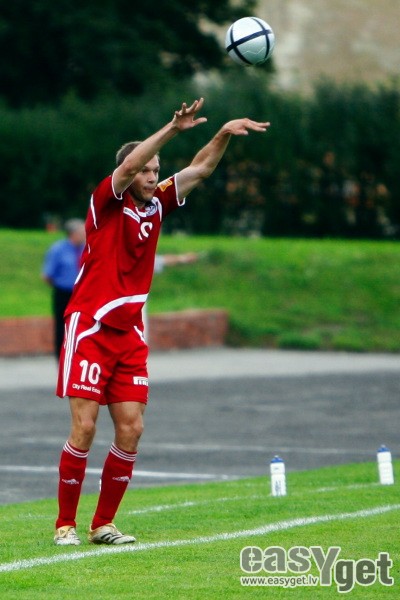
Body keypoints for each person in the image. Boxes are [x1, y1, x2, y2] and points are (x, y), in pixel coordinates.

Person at [54, 97, 270, 546]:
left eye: (157, 171)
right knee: (85, 427)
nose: (153, 177)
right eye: (147, 171)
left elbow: (200, 170)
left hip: (129, 332)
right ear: (130, 174)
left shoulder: (157, 204)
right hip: (91, 326)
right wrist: (172, 129)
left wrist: (222, 134)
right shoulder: (106, 201)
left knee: (132, 428)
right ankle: (64, 525)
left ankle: (103, 524)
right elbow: (131, 162)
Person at [42, 219, 86, 358]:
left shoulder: (86, 248)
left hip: (82, 293)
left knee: (82, 325)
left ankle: (79, 357)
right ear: (73, 234)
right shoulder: (58, 249)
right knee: (62, 326)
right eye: (82, 232)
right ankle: (61, 358)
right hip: (64, 293)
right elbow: (47, 275)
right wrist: (61, 285)